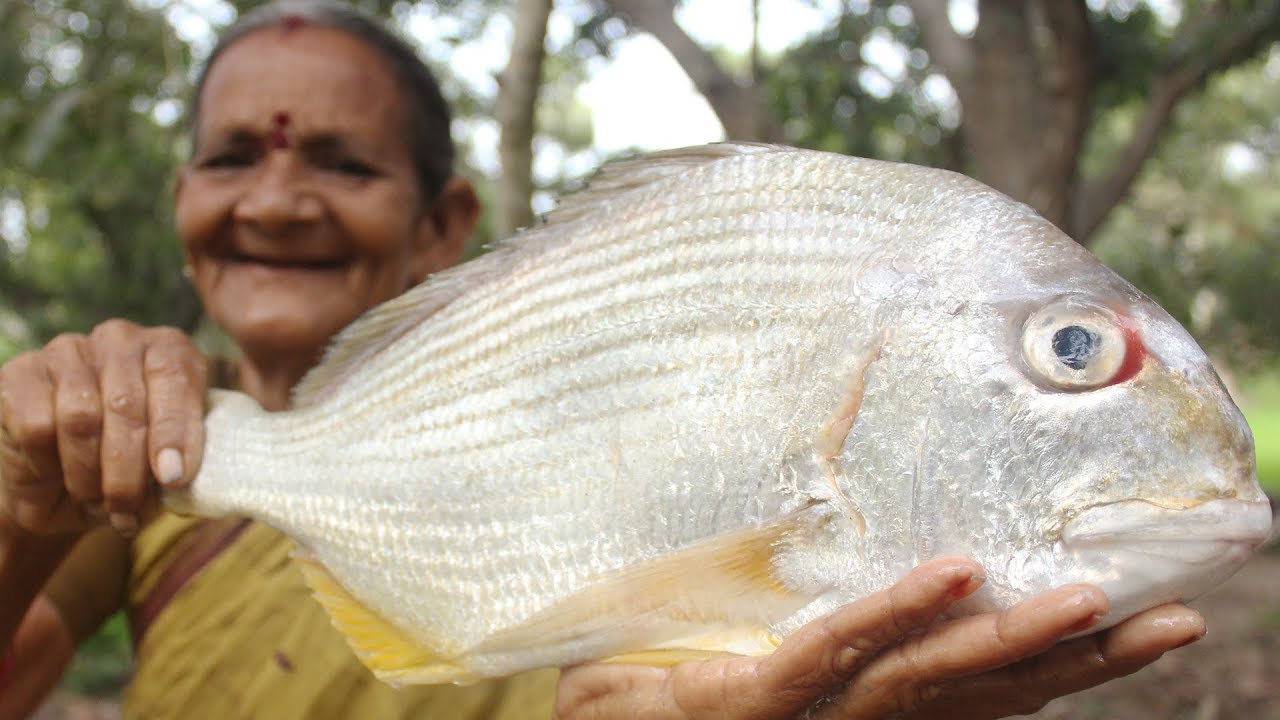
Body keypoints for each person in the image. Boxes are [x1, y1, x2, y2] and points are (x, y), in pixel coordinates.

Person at [0, 1, 1208, 718]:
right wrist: (21, 505)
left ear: (444, 224)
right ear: (181, 202)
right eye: (231, 160)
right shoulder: (131, 473)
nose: (279, 197)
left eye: (343, 163)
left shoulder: (575, 387)